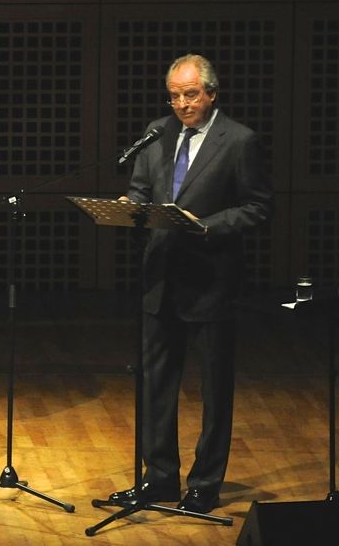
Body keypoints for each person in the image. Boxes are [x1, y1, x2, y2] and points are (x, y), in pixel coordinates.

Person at [110, 54, 273, 513]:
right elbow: (142, 189)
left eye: (191, 94)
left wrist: (208, 226)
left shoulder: (239, 141)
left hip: (211, 282)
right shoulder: (158, 133)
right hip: (160, 279)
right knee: (155, 384)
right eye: (175, 95)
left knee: (215, 388)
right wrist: (131, 204)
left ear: (211, 94)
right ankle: (159, 479)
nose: (182, 104)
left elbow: (258, 206)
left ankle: (204, 483)